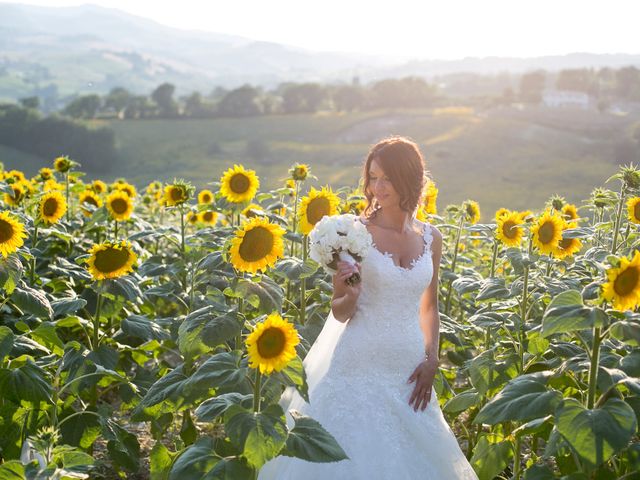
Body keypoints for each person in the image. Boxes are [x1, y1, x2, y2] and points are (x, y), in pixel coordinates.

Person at [259, 137, 478, 479]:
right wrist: (352, 294)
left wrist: (432, 358)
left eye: (387, 178)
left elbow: (430, 306)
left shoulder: (431, 237)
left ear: (411, 179)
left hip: (408, 371)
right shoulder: (354, 234)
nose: (378, 187)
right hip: (356, 368)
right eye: (373, 177)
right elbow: (340, 311)